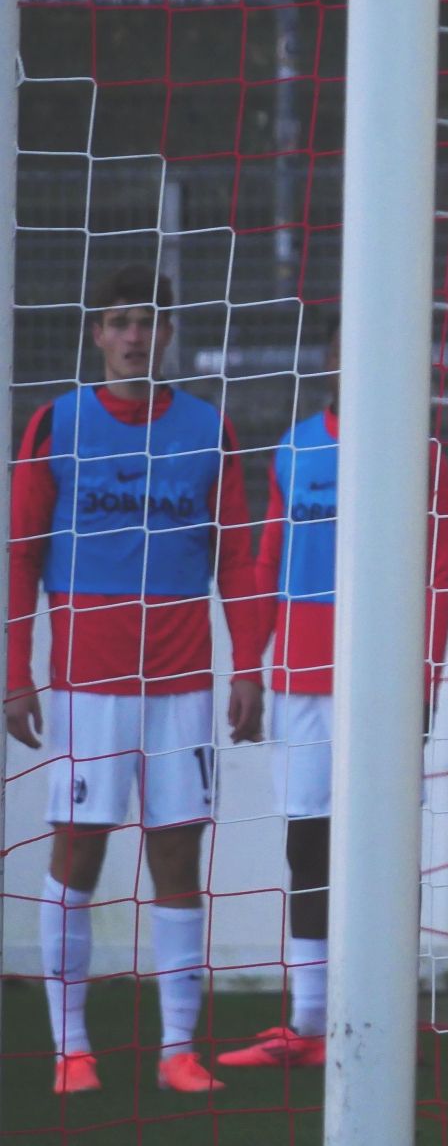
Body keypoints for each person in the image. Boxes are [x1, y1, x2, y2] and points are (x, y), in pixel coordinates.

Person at [6, 265, 269, 1096]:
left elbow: (237, 558)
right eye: (119, 321)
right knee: (79, 850)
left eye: (148, 321)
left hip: (183, 682)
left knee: (179, 853)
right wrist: (15, 673)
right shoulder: (55, 422)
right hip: (87, 684)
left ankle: (178, 1050)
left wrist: (249, 665)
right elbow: (20, 557)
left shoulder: (208, 427)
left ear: (168, 333)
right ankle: (72, 1049)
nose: (134, 336)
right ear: (97, 333)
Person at [215, 320, 448, 1068]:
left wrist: (424, 686)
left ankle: (387, 1014)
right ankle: (310, 1021)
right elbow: (267, 561)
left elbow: (436, 577)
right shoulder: (293, 447)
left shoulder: (421, 450)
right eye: (343, 352)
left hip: (386, 686)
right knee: (308, 844)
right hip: (300, 682)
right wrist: (249, 667)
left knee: (387, 849)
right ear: (327, 363)